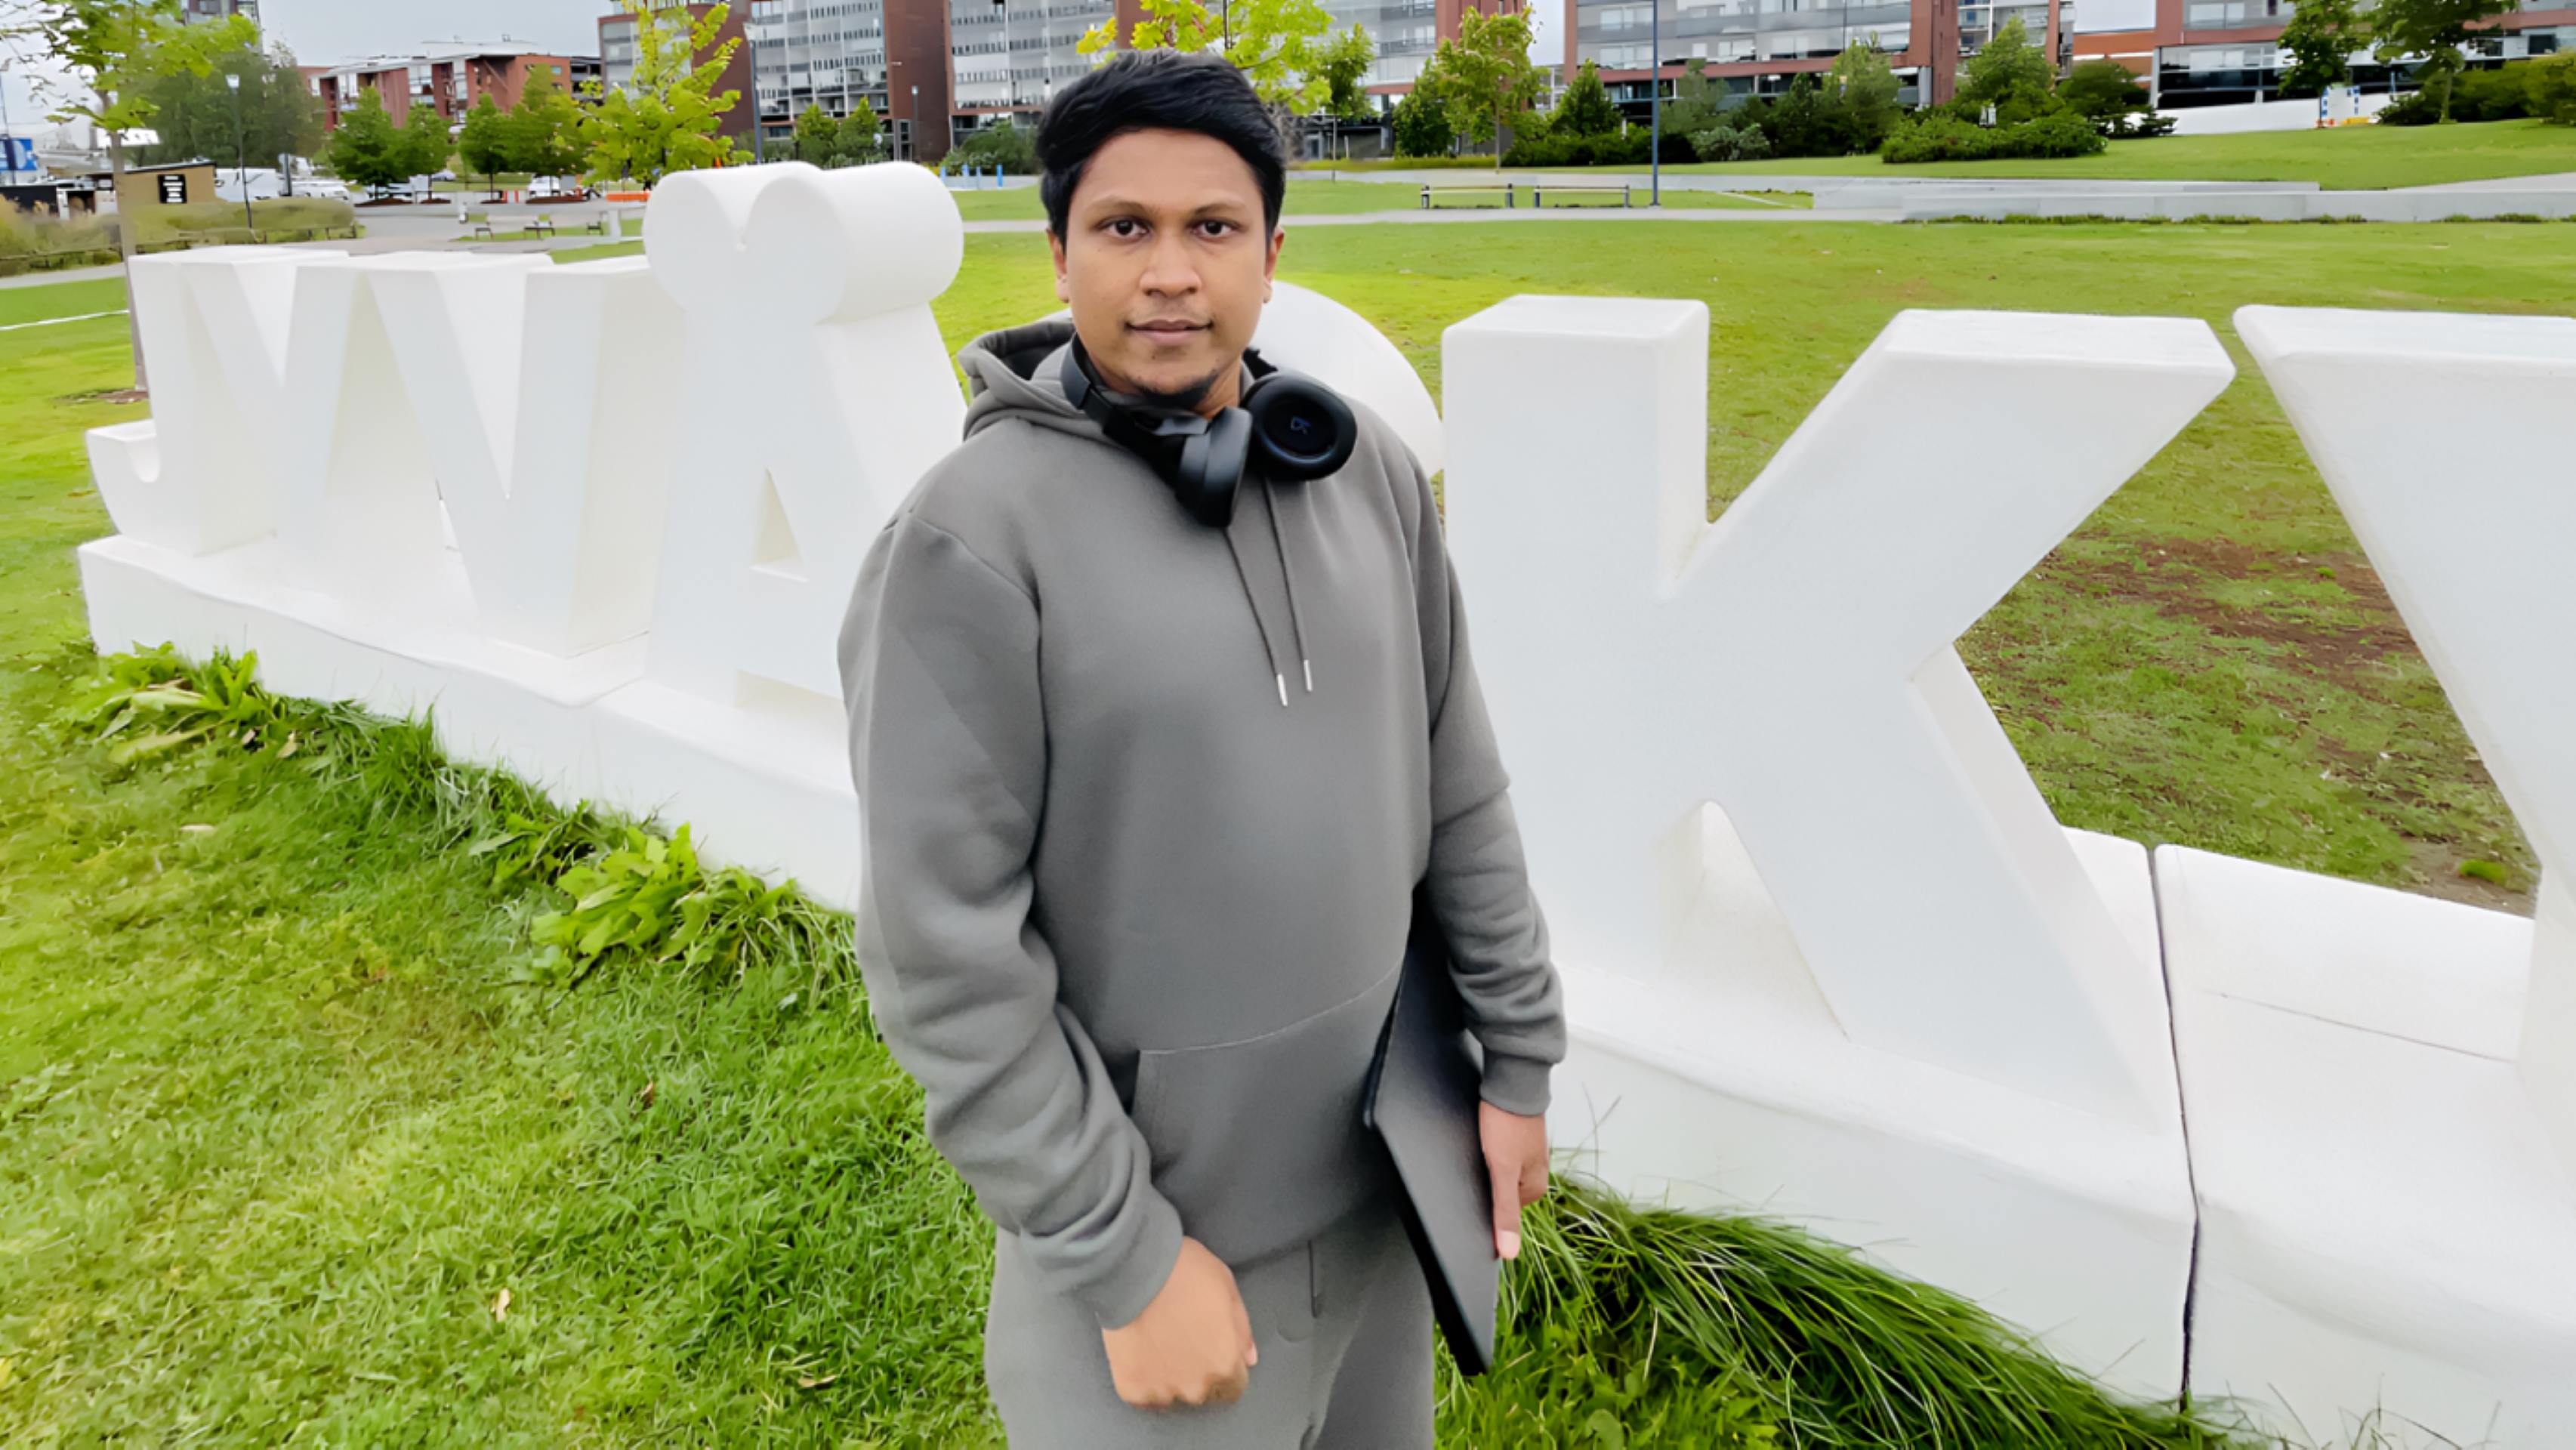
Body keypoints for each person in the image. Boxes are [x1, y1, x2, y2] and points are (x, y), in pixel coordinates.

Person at [835, 49, 1566, 1448]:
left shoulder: (1365, 479)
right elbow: (945, 956)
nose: (1170, 272)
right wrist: (1122, 1256)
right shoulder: (967, 545)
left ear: (1273, 254)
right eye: (1125, 229)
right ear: (1058, 254)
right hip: (1161, 1264)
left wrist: (1516, 1062)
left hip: (1387, 1204)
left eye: (1212, 228)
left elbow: (1458, 791)